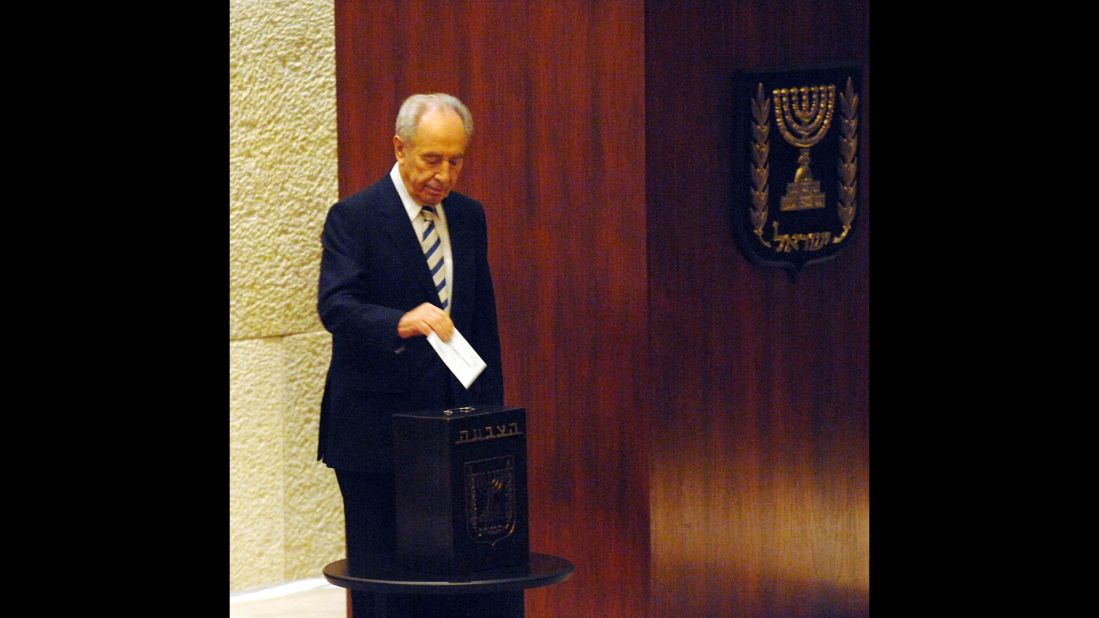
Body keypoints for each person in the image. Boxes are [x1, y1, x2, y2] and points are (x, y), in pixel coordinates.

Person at [316, 93, 508, 616]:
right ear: (400, 148)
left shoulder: (469, 217)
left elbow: (480, 322)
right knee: (385, 585)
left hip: (450, 430)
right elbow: (336, 306)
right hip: (375, 432)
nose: (443, 175)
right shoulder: (354, 216)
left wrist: (491, 420)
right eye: (431, 159)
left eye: (456, 160)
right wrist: (400, 321)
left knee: (452, 582)